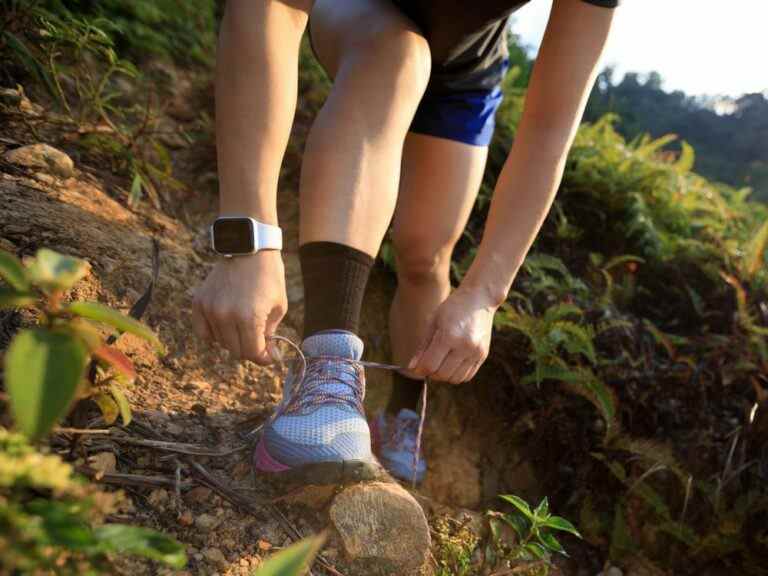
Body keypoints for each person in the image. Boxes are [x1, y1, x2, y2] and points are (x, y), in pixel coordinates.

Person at [192, 0, 617, 486]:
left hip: (466, 68)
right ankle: (327, 370)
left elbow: (549, 130)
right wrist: (247, 240)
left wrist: (484, 295)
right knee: (398, 54)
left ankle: (401, 414)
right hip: (360, 11)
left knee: (426, 254)